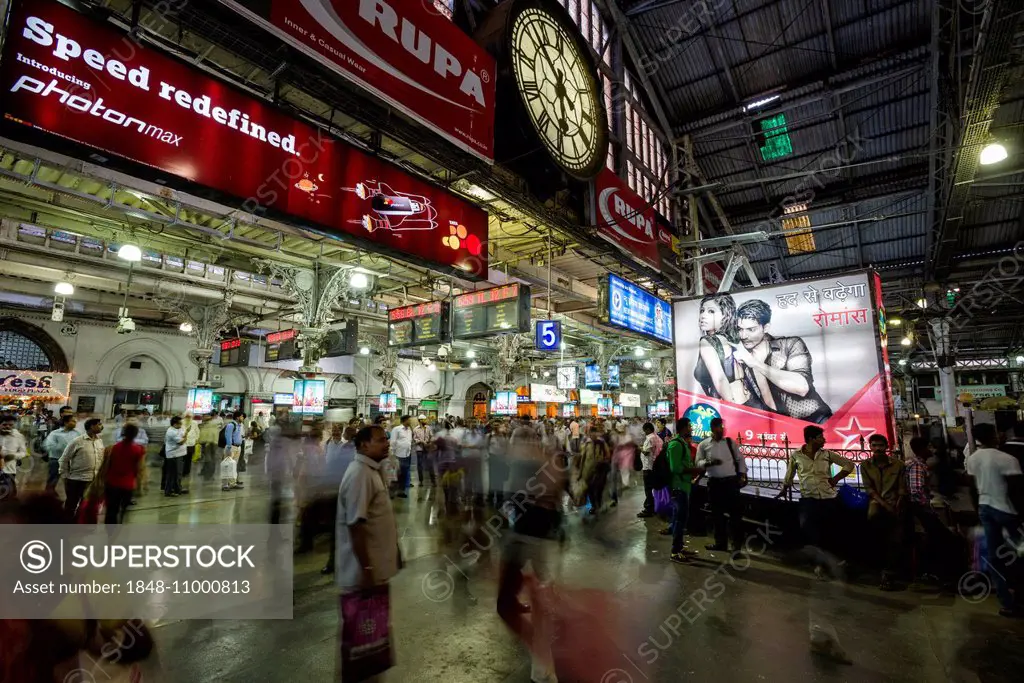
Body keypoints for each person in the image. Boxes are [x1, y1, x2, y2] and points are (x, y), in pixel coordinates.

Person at [731, 299, 833, 424]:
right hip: (779, 428)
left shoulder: (790, 344)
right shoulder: (740, 358)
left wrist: (755, 363)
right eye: (740, 329)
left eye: (751, 329)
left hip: (816, 422)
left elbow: (801, 387)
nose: (743, 336)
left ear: (766, 327)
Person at [778, 425, 855, 575]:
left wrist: (836, 478)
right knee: (811, 532)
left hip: (828, 498)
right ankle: (819, 563)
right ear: (811, 439)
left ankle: (832, 562)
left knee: (830, 530)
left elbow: (849, 464)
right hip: (809, 499)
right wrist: (784, 488)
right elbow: (789, 474)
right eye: (820, 437)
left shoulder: (827, 454)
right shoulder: (796, 456)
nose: (824, 440)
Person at [334, 423, 400, 598]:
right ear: (364, 445)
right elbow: (356, 526)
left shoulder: (372, 470)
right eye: (380, 440)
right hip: (362, 578)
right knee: (362, 624)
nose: (386, 444)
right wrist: (367, 570)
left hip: (375, 571)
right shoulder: (360, 474)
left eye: (386, 439)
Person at [965, 423, 1024, 617]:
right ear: (993, 435)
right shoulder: (1007, 459)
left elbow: (972, 488)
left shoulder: (973, 459)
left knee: (994, 557)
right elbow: (1017, 491)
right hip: (1006, 510)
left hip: (985, 509)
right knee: (1020, 550)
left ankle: (1007, 603)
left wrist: (978, 512)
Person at [860, 434, 907, 591]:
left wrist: (898, 503)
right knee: (875, 533)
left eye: (881, 445)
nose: (878, 448)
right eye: (875, 445)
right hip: (878, 503)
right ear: (870, 447)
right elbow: (870, 489)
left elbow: (901, 488)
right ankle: (881, 571)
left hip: (895, 504)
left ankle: (889, 573)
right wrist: (885, 505)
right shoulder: (865, 465)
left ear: (886, 446)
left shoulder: (898, 465)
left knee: (896, 539)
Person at [695, 417, 748, 552]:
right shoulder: (704, 445)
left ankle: (736, 547)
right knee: (717, 516)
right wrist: (708, 463)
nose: (721, 430)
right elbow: (698, 463)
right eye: (719, 427)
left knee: (735, 516)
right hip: (714, 484)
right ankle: (721, 544)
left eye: (722, 427)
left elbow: (739, 458)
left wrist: (742, 475)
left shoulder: (730, 442)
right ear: (712, 428)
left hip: (730, 483)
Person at [693, 293, 748, 403]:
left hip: (733, 405)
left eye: (711, 311)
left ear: (725, 315)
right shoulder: (735, 339)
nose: (703, 315)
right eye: (702, 310)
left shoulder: (707, 341)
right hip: (748, 401)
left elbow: (720, 379)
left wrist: (732, 407)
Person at [666, 418, 703, 563]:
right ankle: (675, 552)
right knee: (679, 520)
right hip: (678, 488)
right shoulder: (676, 444)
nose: (691, 428)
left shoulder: (682, 444)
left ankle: (680, 547)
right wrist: (694, 469)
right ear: (683, 428)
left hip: (684, 486)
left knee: (681, 519)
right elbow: (675, 468)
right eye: (689, 426)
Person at [59, 418, 104, 517]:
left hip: (92, 479)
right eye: (99, 424)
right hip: (76, 479)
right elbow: (64, 459)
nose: (101, 427)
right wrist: (65, 476)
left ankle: (79, 523)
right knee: (71, 504)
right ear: (92, 426)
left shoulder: (99, 441)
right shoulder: (77, 441)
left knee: (86, 505)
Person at [105, 423, 145, 524]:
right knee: (123, 510)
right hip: (127, 485)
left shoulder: (113, 448)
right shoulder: (138, 449)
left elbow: (106, 466)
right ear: (135, 435)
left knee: (111, 509)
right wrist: (141, 486)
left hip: (111, 483)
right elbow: (140, 469)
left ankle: (110, 531)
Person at [42, 415, 78, 496]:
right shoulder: (55, 433)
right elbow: (47, 445)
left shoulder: (77, 433)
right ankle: (48, 496)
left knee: (70, 481)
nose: (75, 423)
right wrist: (62, 447)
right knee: (53, 479)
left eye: (75, 422)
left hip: (71, 461)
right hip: (56, 459)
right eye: (73, 421)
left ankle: (70, 497)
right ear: (66, 422)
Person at [637, 422, 663, 518]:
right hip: (656, 467)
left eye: (645, 431)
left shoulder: (650, 438)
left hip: (648, 467)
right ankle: (653, 506)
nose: (644, 433)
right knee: (653, 488)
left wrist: (640, 448)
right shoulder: (658, 438)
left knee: (648, 489)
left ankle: (649, 509)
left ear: (648, 429)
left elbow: (646, 452)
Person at [0, 415, 28, 501]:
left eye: (11, 425)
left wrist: (13, 456)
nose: (8, 426)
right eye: (5, 425)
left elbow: (24, 452)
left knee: (9, 495)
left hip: (9, 469)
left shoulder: (19, 437)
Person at [163, 416, 188, 497]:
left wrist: (184, 435)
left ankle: (178, 489)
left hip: (180, 454)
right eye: (180, 423)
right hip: (173, 455)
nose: (181, 425)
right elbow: (181, 442)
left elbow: (183, 434)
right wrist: (186, 435)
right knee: (172, 474)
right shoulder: (171, 432)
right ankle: (168, 491)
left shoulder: (179, 428)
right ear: (174, 424)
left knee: (178, 473)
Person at [389, 415, 413, 498]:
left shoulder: (409, 430)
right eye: (409, 420)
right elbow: (393, 442)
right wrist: (392, 455)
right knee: (395, 474)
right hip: (398, 455)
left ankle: (401, 491)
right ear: (405, 420)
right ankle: (391, 492)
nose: (411, 422)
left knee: (404, 474)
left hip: (406, 455)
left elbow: (408, 441)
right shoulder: (397, 429)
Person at [223, 412, 244, 489]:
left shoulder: (240, 425)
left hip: (238, 447)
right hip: (231, 447)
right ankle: (225, 485)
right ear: (237, 417)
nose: (243, 418)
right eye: (242, 416)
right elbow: (228, 437)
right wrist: (228, 448)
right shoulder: (231, 425)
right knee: (227, 466)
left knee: (233, 466)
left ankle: (232, 483)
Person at [413, 415, 435, 487]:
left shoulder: (428, 428)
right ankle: (421, 481)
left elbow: (432, 437)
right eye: (424, 420)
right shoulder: (416, 429)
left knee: (430, 465)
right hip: (419, 449)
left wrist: (430, 443)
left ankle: (433, 481)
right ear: (420, 420)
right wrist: (421, 442)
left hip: (428, 449)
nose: (425, 421)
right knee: (420, 466)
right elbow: (415, 439)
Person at [198, 414, 219, 481]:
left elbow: (206, 434)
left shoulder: (207, 425)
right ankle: (207, 473)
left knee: (209, 459)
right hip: (213, 443)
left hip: (208, 444)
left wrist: (206, 442)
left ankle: (208, 475)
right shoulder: (214, 424)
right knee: (211, 459)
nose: (203, 418)